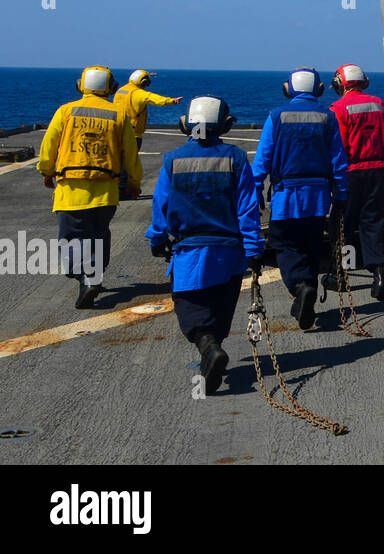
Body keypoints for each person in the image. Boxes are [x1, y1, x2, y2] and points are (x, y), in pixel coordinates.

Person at [146, 96, 262, 395]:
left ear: (186, 125)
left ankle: (209, 350)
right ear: (224, 125)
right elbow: (247, 209)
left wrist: (157, 239)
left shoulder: (172, 160)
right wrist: (253, 249)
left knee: (191, 309)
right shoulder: (235, 158)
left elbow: (161, 205)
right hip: (229, 254)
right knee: (220, 308)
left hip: (189, 253)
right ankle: (212, 353)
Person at [251, 68, 349, 329]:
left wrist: (255, 191)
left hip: (286, 198)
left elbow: (262, 161)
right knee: (310, 247)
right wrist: (341, 195)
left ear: (288, 90)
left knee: (285, 247)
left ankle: (299, 287)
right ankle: (307, 292)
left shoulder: (276, 117)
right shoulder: (328, 117)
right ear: (318, 90)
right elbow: (338, 161)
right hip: (318, 199)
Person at [38, 66, 143, 308]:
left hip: (71, 190)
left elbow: (49, 145)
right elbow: (130, 155)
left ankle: (86, 277)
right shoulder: (118, 114)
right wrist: (134, 183)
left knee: (73, 237)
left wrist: (46, 171)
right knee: (99, 234)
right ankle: (94, 276)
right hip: (106, 191)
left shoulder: (66, 111)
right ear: (111, 88)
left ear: (80, 86)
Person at [328, 64, 384, 299]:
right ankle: (378, 275)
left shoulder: (338, 108)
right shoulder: (378, 104)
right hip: (376, 172)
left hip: (350, 175)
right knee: (373, 224)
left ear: (340, 84)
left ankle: (343, 274)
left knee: (344, 226)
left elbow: (338, 147)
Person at [113, 70, 183, 150]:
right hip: (133, 135)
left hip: (118, 132)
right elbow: (156, 99)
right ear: (143, 82)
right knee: (131, 161)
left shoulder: (120, 91)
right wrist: (172, 101)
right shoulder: (139, 93)